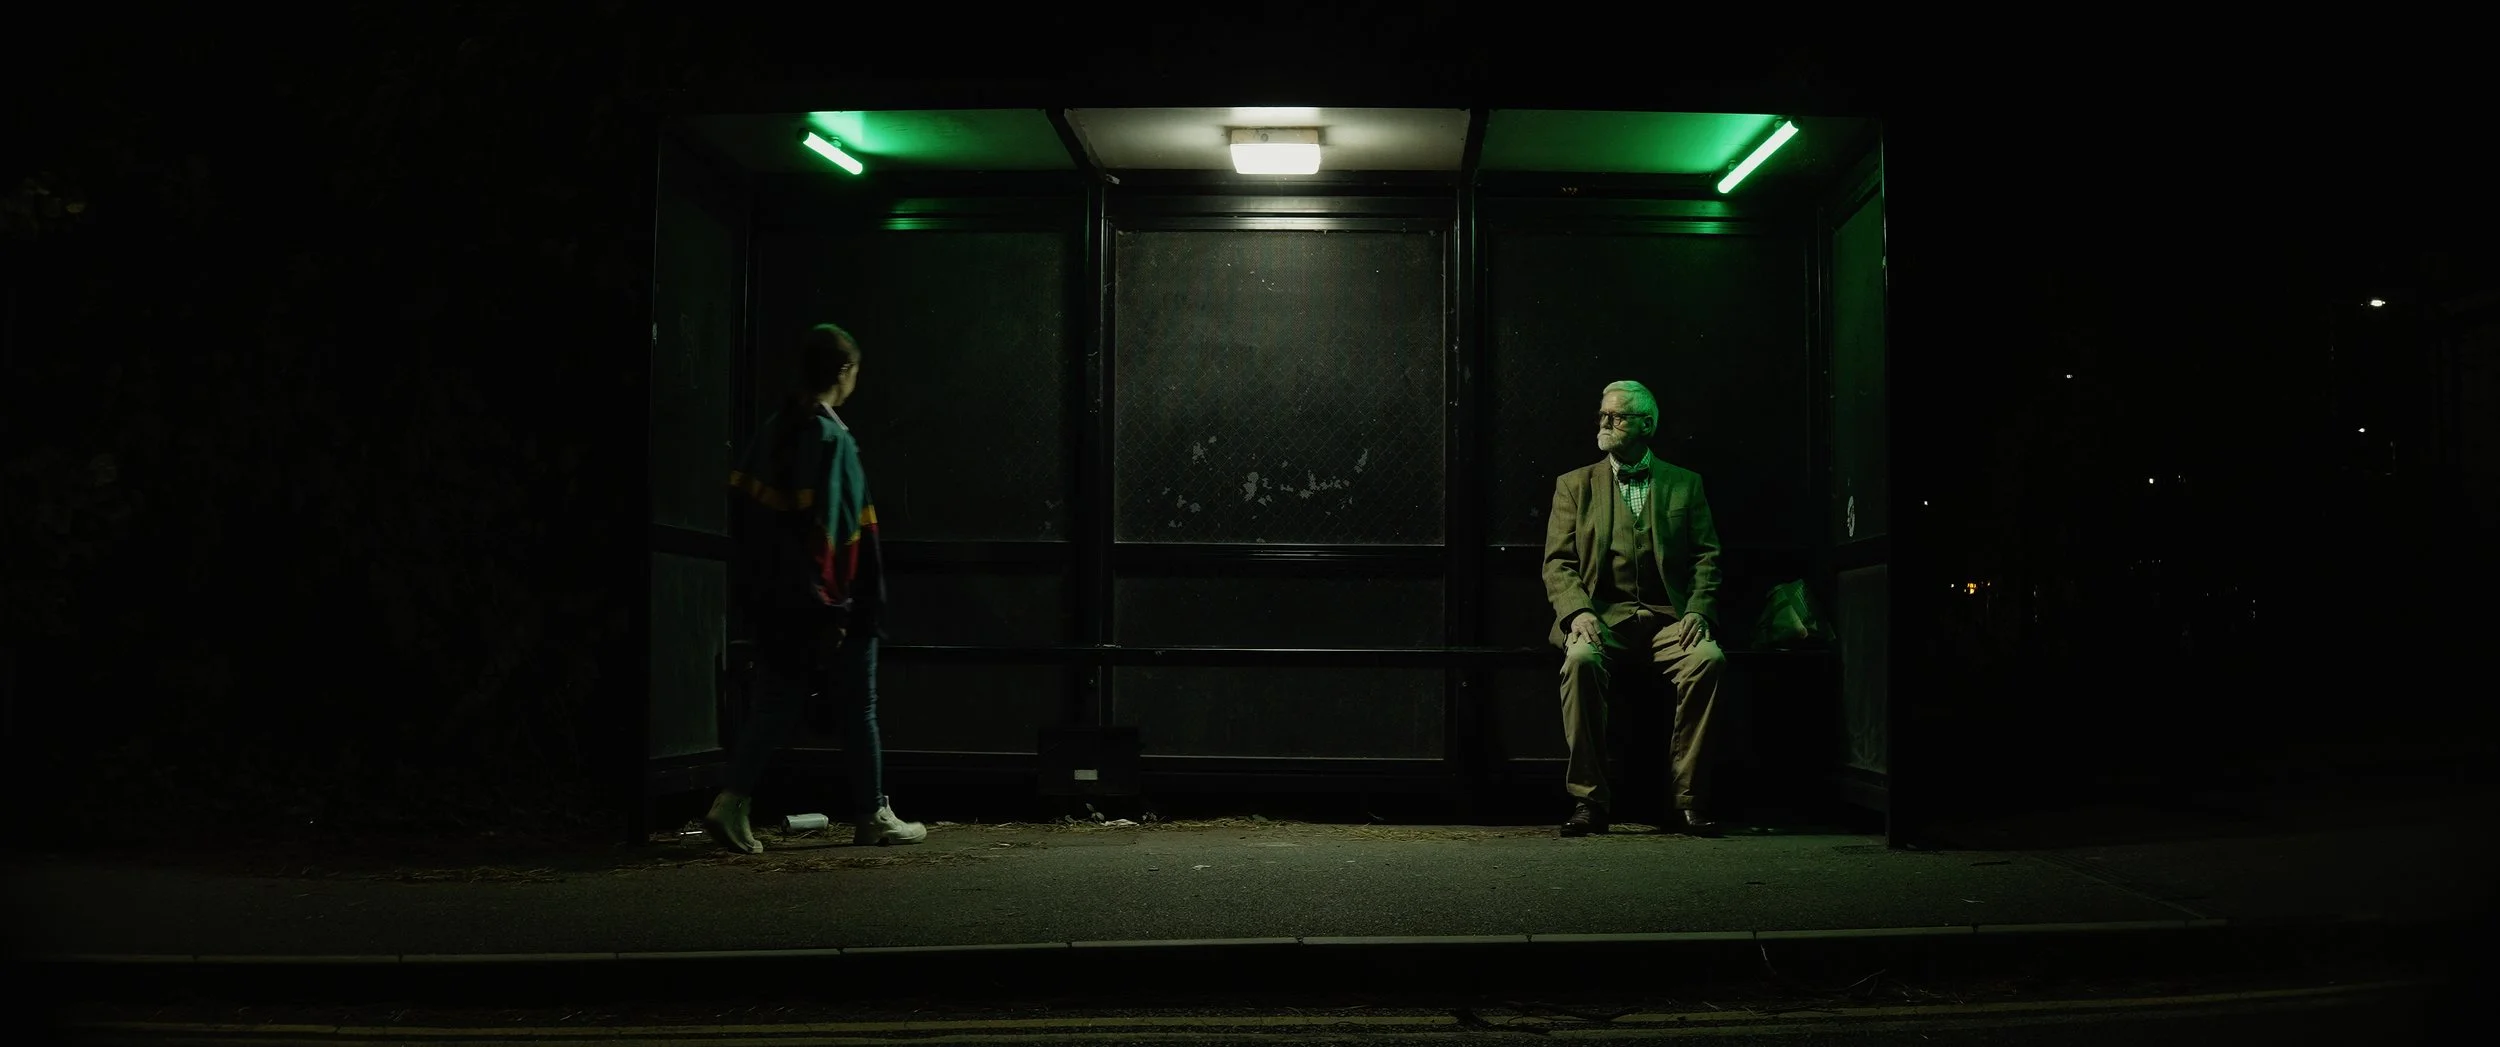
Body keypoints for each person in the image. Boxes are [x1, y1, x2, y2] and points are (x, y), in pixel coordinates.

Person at [705, 323, 928, 853]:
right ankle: (872, 812)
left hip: (775, 597)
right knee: (859, 705)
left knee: (776, 702)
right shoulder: (832, 438)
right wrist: (840, 608)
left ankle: (731, 801)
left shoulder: (774, 431)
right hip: (833, 602)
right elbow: (836, 528)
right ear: (845, 373)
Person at [1541, 380, 1727, 837]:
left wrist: (1698, 611)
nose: (1605, 422)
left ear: (1648, 424)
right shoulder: (1574, 485)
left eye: (1617, 416)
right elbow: (1558, 562)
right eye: (1603, 414)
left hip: (1670, 621)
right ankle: (1588, 801)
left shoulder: (1685, 484)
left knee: (1709, 660)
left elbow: (1707, 556)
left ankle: (1688, 801)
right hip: (1604, 619)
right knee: (1581, 660)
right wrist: (1576, 613)